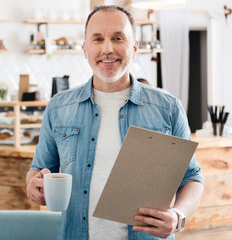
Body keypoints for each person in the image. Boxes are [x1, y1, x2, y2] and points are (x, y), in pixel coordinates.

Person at [26, 5, 204, 240]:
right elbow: (38, 169)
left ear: (134, 46)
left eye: (117, 38)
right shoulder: (59, 107)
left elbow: (192, 177)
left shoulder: (167, 107)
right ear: (85, 49)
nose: (107, 49)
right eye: (97, 39)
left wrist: (178, 216)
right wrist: (33, 185)